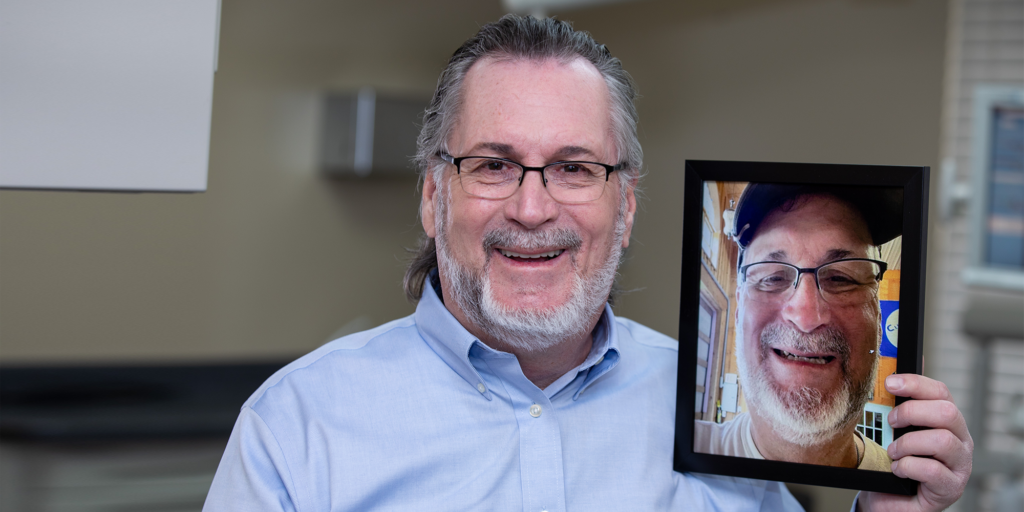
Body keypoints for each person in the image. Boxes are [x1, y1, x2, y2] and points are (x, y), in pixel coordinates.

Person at [204, 15, 972, 511]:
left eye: (574, 168)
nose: (533, 210)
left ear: (627, 205)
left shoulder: (718, 428)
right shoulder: (298, 428)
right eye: (494, 165)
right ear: (435, 195)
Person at [694, 184, 903, 472]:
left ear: (878, 318)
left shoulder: (912, 488)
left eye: (841, 278)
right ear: (740, 309)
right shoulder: (669, 461)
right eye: (773, 277)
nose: (806, 316)